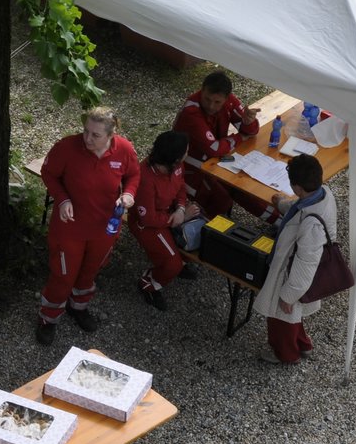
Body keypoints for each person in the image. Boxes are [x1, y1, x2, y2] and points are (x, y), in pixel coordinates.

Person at [36, 107, 141, 344]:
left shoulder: (124, 149)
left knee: (90, 270)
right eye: (86, 131)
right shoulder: (66, 148)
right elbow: (48, 173)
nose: (87, 139)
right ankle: (48, 317)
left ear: (111, 135)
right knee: (63, 275)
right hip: (69, 229)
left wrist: (129, 195)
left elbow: (133, 175)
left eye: (95, 135)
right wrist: (62, 200)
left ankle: (78, 306)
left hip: (104, 228)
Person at [252, 154, 336, 364]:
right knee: (292, 315)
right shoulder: (322, 194)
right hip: (293, 272)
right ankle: (303, 345)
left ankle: (286, 354)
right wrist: (282, 204)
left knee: (281, 315)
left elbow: (306, 263)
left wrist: (289, 294)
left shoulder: (311, 226)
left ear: (298, 188)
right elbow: (298, 209)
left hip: (290, 275)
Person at [175, 69, 262, 220]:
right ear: (202, 91)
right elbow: (214, 148)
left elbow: (252, 131)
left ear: (226, 98)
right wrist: (240, 137)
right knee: (225, 196)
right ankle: (207, 228)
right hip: (189, 164)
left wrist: (249, 122)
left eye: (217, 102)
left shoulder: (230, 100)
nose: (211, 106)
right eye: (207, 99)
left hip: (215, 159)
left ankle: (280, 221)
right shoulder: (191, 111)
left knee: (245, 184)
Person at [128, 130, 199, 311]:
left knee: (198, 236)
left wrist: (181, 209)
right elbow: (148, 218)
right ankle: (148, 283)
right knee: (171, 264)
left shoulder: (175, 167)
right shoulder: (145, 178)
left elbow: (180, 188)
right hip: (146, 225)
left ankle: (180, 262)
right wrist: (174, 219)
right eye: (186, 150)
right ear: (175, 158)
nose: (188, 153)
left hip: (170, 215)